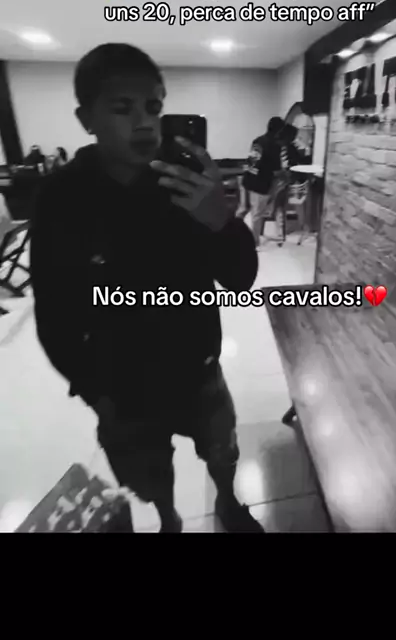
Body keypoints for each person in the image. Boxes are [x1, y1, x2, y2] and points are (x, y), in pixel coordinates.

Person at [30, 43, 263, 534]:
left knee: (222, 451)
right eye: (123, 108)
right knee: (148, 475)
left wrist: (221, 221)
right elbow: (53, 310)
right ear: (86, 119)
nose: (145, 124)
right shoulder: (62, 198)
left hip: (198, 367)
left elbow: (240, 277)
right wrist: (93, 389)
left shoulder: (186, 181)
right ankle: (168, 520)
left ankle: (227, 503)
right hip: (122, 386)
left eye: (154, 107)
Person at [238, 117, 284, 246]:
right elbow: (275, 170)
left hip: (247, 178)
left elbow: (252, 160)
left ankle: (233, 233)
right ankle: (253, 242)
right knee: (257, 215)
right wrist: (284, 175)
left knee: (242, 210)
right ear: (279, 131)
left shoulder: (257, 141)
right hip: (260, 183)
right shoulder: (275, 146)